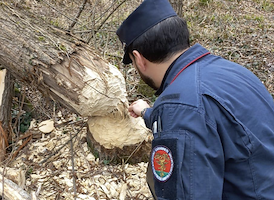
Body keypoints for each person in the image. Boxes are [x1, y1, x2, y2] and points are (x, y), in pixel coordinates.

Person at [116, 0, 274, 199]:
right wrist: (148, 112)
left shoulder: (180, 106)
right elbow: (208, 120)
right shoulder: (231, 72)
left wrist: (167, 111)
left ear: (138, 58)